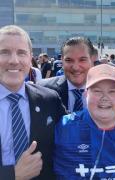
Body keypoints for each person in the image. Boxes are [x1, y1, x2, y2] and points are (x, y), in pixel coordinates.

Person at [54, 64, 115, 179]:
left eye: (112, 91)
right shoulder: (65, 127)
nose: (105, 97)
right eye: (97, 91)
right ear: (86, 94)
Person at [0, 25, 66, 180]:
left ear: (30, 59)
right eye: (4, 52)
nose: (14, 61)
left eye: (21, 53)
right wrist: (12, 175)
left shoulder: (49, 99)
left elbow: (77, 129)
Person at [37, 37, 115, 118]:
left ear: (92, 60)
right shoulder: (43, 90)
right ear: (62, 62)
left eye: (82, 60)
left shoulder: (110, 89)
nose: (76, 67)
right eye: (69, 60)